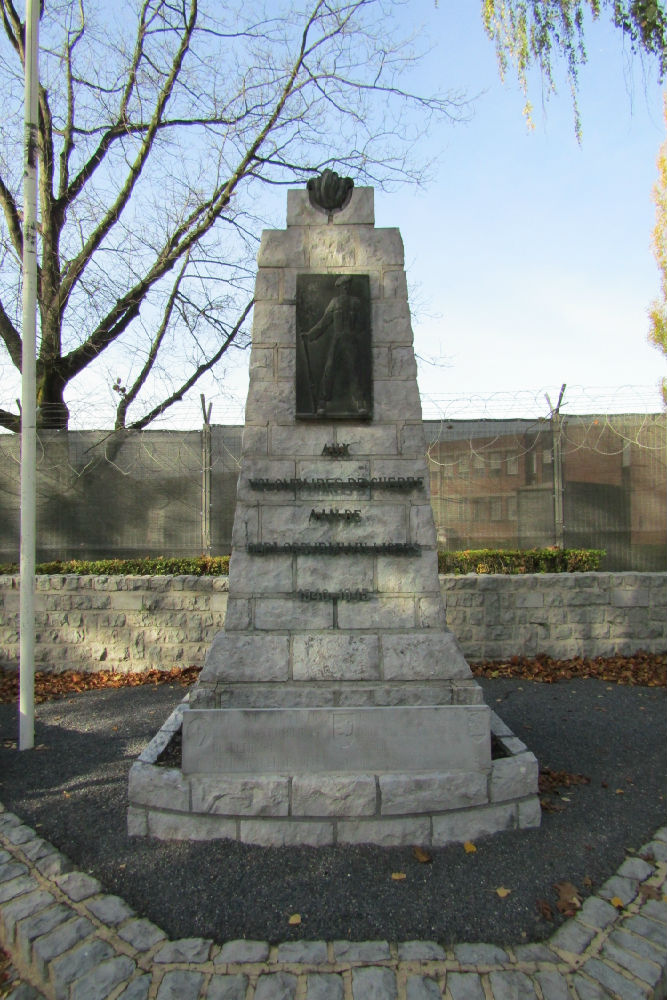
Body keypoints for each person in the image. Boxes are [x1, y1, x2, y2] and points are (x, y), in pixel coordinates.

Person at [301, 275, 369, 416]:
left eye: (347, 285)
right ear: (339, 287)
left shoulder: (356, 303)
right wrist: (310, 335)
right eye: (343, 285)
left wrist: (356, 335)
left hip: (351, 340)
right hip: (337, 341)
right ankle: (322, 404)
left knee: (354, 371)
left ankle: (360, 402)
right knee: (329, 370)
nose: (345, 287)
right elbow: (324, 323)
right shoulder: (334, 303)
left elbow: (363, 324)